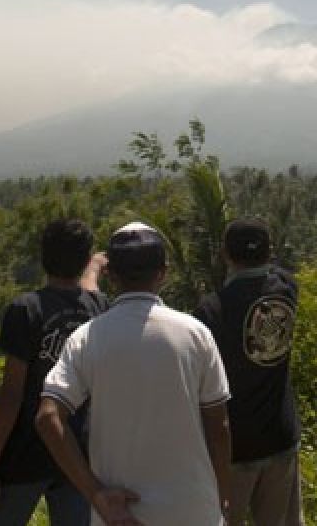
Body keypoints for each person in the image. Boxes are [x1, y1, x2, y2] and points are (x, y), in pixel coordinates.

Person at [36, 221, 234, 526]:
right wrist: (223, 495)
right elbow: (218, 427)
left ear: (111, 276)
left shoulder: (87, 338)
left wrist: (95, 494)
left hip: (120, 515)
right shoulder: (195, 334)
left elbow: (48, 417)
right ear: (163, 273)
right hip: (193, 509)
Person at [0, 219, 108, 525]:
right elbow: (90, 289)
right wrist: (94, 266)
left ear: (43, 256)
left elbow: (11, 394)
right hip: (77, 456)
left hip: (25, 454)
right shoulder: (98, 308)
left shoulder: (26, 310)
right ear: (85, 260)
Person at [194, 218, 302, 526]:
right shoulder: (287, 289)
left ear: (225, 255)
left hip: (233, 448)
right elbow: (278, 270)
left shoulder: (211, 311)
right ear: (270, 252)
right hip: (280, 437)